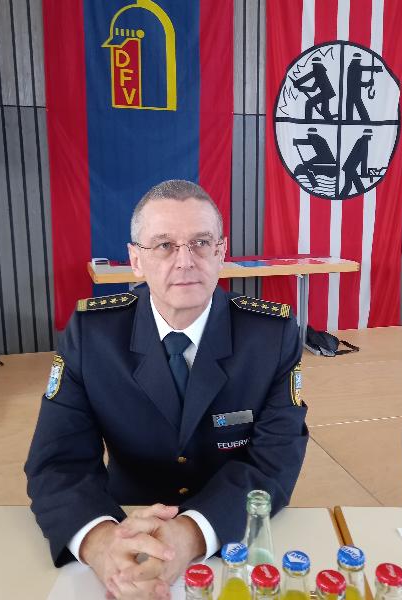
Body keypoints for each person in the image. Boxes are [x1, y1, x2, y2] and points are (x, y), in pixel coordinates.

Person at [25, 180, 308, 600]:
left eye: (201, 243)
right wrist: (102, 544)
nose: (185, 261)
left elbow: (275, 460)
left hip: (227, 532)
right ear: (135, 260)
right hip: (124, 520)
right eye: (164, 246)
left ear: (221, 252)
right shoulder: (92, 335)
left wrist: (191, 533)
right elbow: (57, 462)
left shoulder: (269, 336)